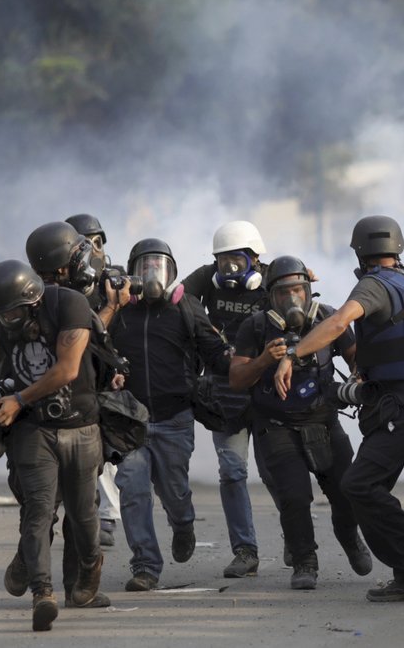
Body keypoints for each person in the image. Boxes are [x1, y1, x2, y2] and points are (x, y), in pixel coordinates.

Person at [273, 215, 404, 602]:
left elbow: (339, 321)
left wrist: (293, 352)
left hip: (402, 403)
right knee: (365, 493)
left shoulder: (375, 284)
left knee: (357, 485)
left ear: (361, 250)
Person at [0, 260, 104, 631]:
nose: (7, 318)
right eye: (0, 313)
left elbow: (67, 370)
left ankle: (91, 566)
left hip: (80, 425)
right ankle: (42, 594)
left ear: (32, 300)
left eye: (13, 310)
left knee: (83, 517)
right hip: (33, 429)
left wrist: (19, 399)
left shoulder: (69, 305)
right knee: (38, 512)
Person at [229, 255, 372, 590]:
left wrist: (358, 381)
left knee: (345, 491)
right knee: (294, 497)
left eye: (298, 290)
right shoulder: (256, 327)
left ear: (308, 291)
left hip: (324, 420)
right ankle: (305, 560)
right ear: (270, 296)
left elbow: (358, 360)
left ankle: (351, 541)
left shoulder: (328, 319)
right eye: (283, 292)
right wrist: (265, 359)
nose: (292, 299)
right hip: (276, 423)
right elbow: (236, 379)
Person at [109, 238, 232, 591]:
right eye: (144, 266)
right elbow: (98, 352)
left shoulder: (186, 307)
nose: (152, 274)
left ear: (171, 271)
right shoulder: (117, 311)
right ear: (132, 272)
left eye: (158, 266)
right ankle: (145, 565)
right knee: (132, 488)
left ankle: (183, 524)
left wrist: (243, 361)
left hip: (175, 419)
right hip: (130, 421)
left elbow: (216, 355)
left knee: (174, 491)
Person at [181, 220, 278, 578]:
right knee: (233, 473)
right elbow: (180, 297)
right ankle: (245, 551)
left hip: (265, 391)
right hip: (224, 391)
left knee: (276, 473)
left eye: (237, 260)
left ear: (255, 257)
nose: (230, 269)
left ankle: (299, 546)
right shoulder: (208, 277)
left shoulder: (273, 280)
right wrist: (207, 333)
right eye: (224, 261)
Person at [65, 213, 125, 548]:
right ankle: (89, 514)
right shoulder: (58, 285)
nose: (91, 250)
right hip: (75, 372)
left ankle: (107, 517)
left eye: (96, 243)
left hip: (107, 372)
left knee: (110, 453)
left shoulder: (113, 281)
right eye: (82, 243)